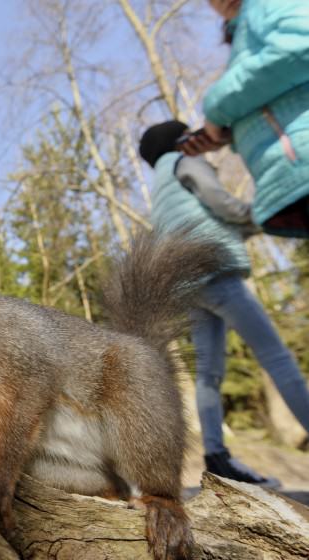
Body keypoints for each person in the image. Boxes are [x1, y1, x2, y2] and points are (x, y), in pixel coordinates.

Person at [140, 121, 309, 486]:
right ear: (179, 141)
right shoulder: (186, 162)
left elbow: (190, 219)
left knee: (209, 374)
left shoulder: (161, 185)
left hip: (185, 283)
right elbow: (218, 201)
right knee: (276, 356)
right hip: (214, 270)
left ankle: (217, 458)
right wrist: (260, 216)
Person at [180, 0, 309, 237]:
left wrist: (217, 108)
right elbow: (274, 106)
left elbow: (301, 47)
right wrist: (228, 136)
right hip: (292, 177)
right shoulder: (244, 30)